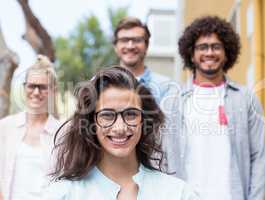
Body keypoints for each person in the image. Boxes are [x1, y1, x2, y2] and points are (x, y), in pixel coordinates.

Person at [43, 66, 199, 200]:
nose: (120, 127)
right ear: (91, 122)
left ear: (144, 120)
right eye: (107, 115)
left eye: (131, 114)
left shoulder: (179, 194)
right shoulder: (63, 194)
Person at [165, 16, 265, 200]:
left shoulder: (245, 99)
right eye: (202, 47)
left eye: (216, 46)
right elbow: (164, 156)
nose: (209, 52)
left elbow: (258, 157)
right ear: (191, 54)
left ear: (227, 52)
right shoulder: (173, 101)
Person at [0, 55, 61, 200]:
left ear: (53, 90)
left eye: (42, 87)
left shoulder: (63, 133)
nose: (36, 92)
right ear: (24, 87)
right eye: (32, 86)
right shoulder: (5, 127)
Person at [113, 17, 174, 104]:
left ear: (147, 46)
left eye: (137, 40)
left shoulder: (167, 87)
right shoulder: (100, 83)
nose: (130, 46)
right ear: (115, 46)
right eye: (124, 40)